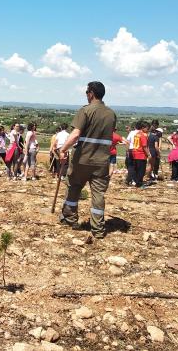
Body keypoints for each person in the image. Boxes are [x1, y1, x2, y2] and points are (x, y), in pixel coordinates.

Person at [59, 81, 116, 239]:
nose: (86, 94)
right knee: (98, 195)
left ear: (91, 93)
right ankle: (97, 229)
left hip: (82, 160)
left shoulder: (85, 111)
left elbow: (76, 134)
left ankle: (70, 219)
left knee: (73, 187)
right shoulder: (111, 114)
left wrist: (63, 150)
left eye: (86, 92)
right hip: (102, 162)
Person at [131, 121, 150, 187]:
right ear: (143, 128)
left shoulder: (137, 134)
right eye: (147, 129)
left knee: (136, 169)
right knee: (141, 170)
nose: (148, 130)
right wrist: (148, 154)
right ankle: (139, 183)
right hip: (141, 154)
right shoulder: (143, 135)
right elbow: (144, 146)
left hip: (135, 153)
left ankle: (135, 181)